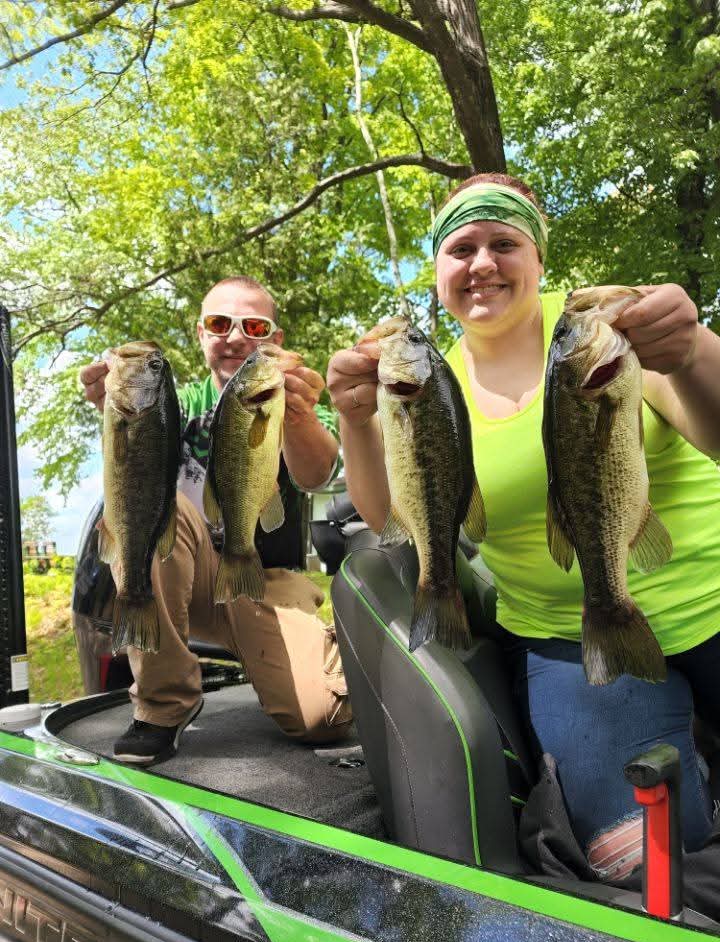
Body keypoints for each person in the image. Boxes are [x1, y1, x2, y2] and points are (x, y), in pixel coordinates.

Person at [326, 172, 720, 884]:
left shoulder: (610, 332)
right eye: (461, 248)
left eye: (503, 243)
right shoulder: (428, 386)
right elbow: (390, 519)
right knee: (642, 865)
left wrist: (691, 351)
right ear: (438, 271)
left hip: (714, 603)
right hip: (570, 639)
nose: (482, 263)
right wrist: (356, 419)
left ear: (538, 255)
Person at [79, 275, 352, 764]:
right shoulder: (169, 402)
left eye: (254, 325)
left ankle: (322, 659)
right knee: (161, 509)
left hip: (264, 582)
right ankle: (163, 704)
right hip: (186, 580)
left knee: (321, 718)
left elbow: (317, 474)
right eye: (219, 323)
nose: (235, 336)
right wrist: (115, 412)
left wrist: (300, 419)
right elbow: (132, 479)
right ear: (200, 334)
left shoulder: (294, 400)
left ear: (275, 340)